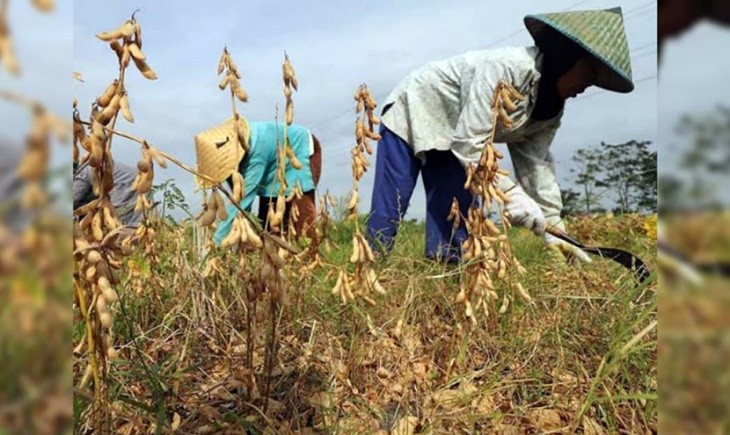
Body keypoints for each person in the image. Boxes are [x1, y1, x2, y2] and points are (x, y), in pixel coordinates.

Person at [366, 6, 635, 264]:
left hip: (457, 136)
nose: (587, 86)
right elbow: (471, 143)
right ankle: (368, 270)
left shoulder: (550, 110)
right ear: (566, 58)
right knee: (392, 204)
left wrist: (553, 225)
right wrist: (511, 195)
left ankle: (445, 287)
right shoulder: (507, 69)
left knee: (456, 213)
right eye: (588, 74)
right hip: (415, 106)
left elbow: (536, 165)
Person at [193, 116, 322, 245]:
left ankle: (310, 257)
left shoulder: (255, 154)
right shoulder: (231, 161)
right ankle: (276, 261)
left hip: (300, 150)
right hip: (272, 165)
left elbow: (241, 203)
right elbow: (238, 198)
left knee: (302, 218)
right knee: (269, 228)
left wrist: (216, 244)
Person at [73, 159, 144, 228]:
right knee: (135, 226)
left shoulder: (83, 171)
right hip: (140, 181)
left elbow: (74, 198)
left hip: (124, 185)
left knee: (118, 227)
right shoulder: (92, 167)